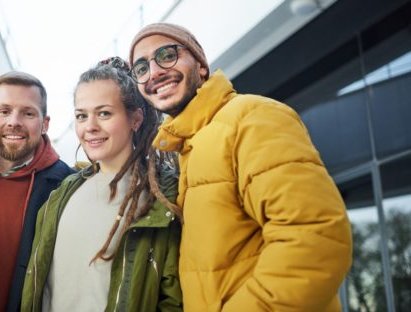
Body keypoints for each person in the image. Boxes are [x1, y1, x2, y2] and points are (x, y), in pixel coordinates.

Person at [129, 23, 353, 311]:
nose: (155, 72)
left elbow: (314, 240)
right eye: (141, 68)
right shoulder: (187, 149)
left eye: (166, 54)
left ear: (201, 66)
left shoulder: (252, 117)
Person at [21, 57, 182, 311]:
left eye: (104, 113)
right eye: (81, 116)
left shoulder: (164, 196)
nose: (91, 127)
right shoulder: (61, 194)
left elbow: (174, 298)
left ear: (136, 119)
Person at [0, 71, 74, 312]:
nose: (14, 122)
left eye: (28, 113)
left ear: (45, 124)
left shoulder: (67, 186)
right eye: (4, 111)